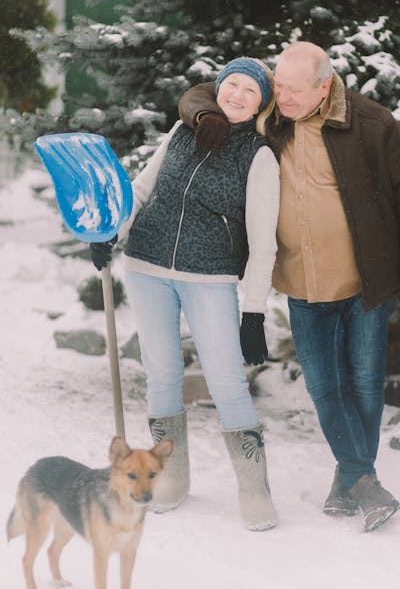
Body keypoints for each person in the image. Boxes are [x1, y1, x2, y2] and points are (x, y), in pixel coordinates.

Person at [178, 41, 400, 532]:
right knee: (323, 386)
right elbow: (203, 96)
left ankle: (352, 481)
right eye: (279, 86)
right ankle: (364, 481)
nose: (285, 98)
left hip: (363, 281)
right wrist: (204, 114)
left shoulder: (371, 122)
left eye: (296, 90)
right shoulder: (273, 115)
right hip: (302, 283)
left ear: (325, 86)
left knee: (364, 383)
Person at [89, 57, 280, 531]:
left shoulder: (259, 155)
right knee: (162, 374)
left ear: (261, 104)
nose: (237, 94)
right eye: (231, 84)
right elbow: (142, 188)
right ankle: (170, 479)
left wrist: (252, 312)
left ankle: (255, 490)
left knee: (226, 380)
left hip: (210, 277)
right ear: (217, 87)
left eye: (249, 90)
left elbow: (263, 242)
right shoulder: (181, 131)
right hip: (146, 265)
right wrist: (111, 229)